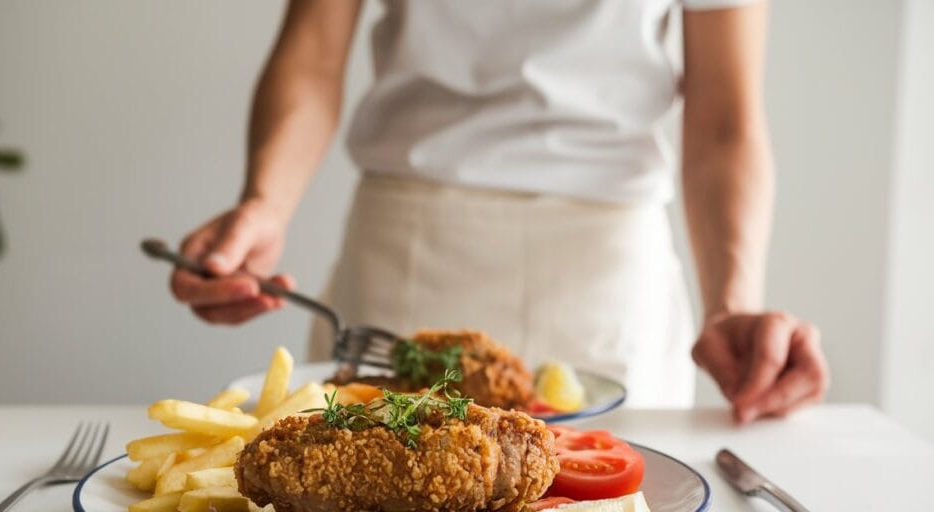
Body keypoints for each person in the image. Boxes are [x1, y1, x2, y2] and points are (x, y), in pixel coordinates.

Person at [169, 0, 829, 422]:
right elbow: (312, 55)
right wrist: (265, 202)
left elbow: (724, 117)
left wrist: (731, 302)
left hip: (607, 277)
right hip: (410, 252)